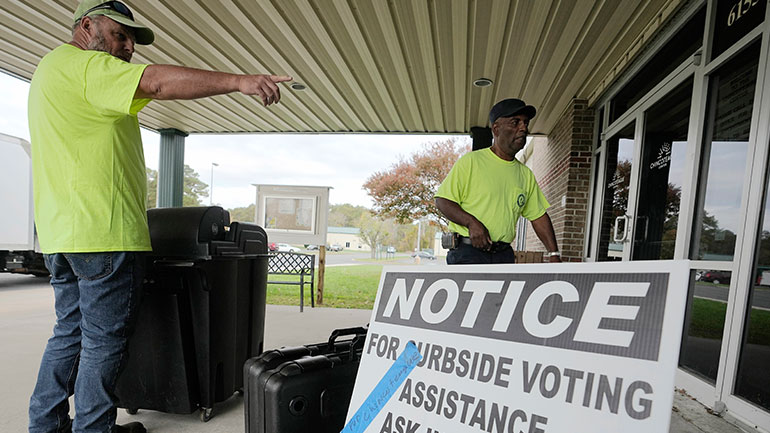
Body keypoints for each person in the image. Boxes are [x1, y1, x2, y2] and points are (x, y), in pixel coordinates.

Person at [27, 1, 292, 432]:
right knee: (102, 345)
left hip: (62, 234)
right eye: (121, 34)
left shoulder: (51, 70)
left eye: (133, 39)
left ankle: (45, 426)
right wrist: (240, 81)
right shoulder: (87, 66)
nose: (129, 46)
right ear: (87, 25)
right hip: (104, 234)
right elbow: (155, 82)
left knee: (69, 336)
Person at [435, 98, 561, 265]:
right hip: (467, 254)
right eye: (515, 122)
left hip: (504, 256)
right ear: (496, 129)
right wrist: (472, 223)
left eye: (525, 123)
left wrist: (553, 254)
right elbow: (443, 201)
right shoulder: (471, 162)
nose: (523, 128)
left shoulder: (525, 175)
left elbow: (538, 217)